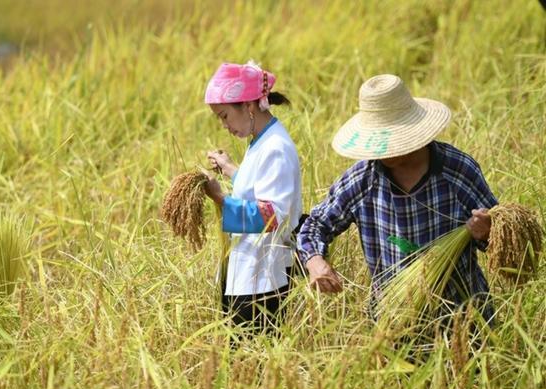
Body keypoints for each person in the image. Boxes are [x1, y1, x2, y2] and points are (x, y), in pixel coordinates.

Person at [297, 74, 497, 324]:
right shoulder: (363, 180)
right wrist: (315, 261)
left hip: (463, 316)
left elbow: (501, 236)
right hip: (395, 320)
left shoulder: (456, 171)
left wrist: (485, 231)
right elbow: (315, 225)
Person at [202, 61, 303, 334]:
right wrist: (231, 168)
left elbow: (272, 216)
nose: (224, 125)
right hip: (248, 273)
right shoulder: (260, 140)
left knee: (252, 367)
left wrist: (220, 198)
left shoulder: (275, 148)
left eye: (224, 116)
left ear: (247, 106)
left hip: (263, 282)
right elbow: (258, 187)